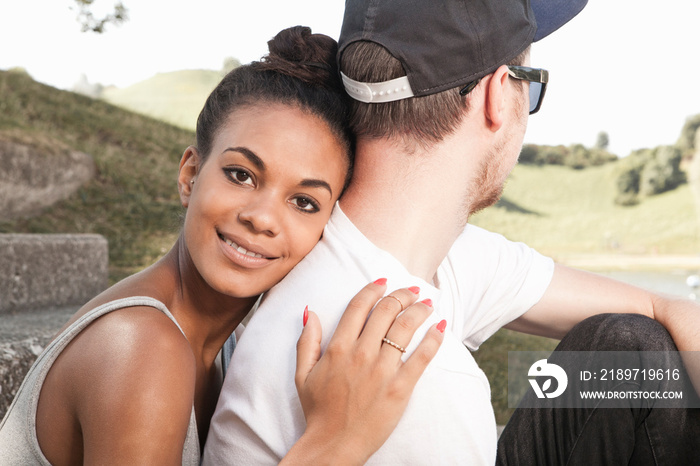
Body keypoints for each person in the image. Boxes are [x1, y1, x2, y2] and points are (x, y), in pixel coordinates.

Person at [204, 1, 700, 464]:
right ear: (497, 96)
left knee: (629, 348)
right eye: (530, 83)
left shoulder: (383, 247)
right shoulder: (413, 366)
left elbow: (663, 308)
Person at [0, 27, 446, 465]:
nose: (262, 217)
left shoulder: (225, 345)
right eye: (241, 174)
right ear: (191, 175)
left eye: (304, 202)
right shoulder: (142, 347)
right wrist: (335, 445)